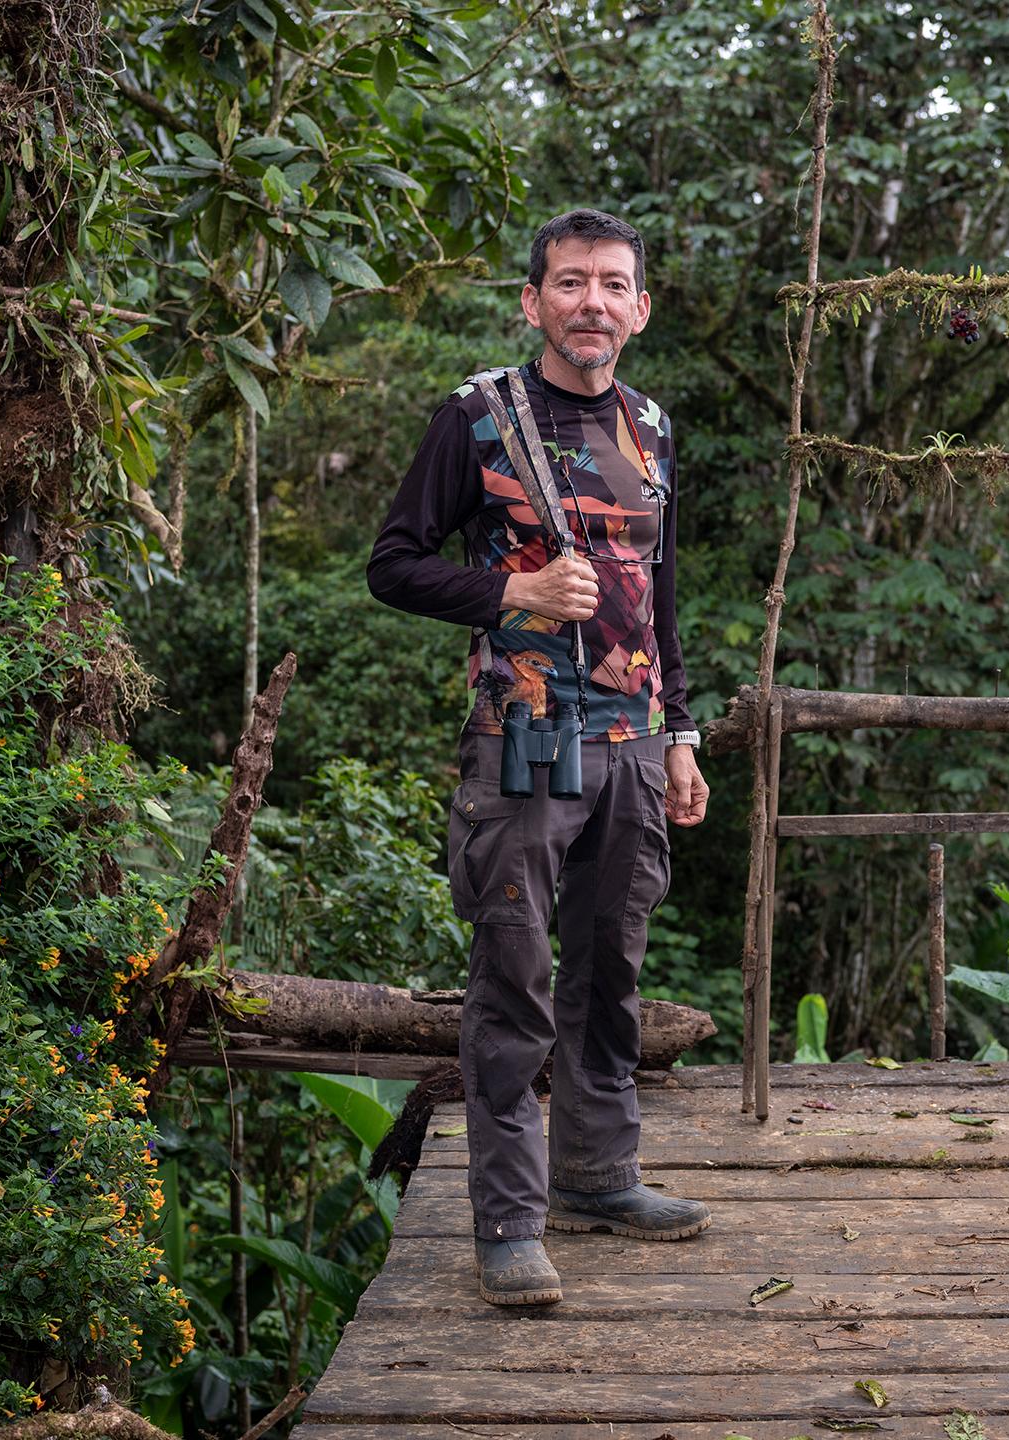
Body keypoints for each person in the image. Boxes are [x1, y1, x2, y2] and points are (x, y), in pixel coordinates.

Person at [367, 209, 712, 1307]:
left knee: (610, 973)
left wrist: (683, 735)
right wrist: (509, 589)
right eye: (570, 284)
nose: (591, 303)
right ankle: (509, 1224)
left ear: (640, 309)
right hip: (522, 746)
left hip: (630, 748)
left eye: (613, 285)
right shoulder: (477, 418)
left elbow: (661, 601)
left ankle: (600, 1180)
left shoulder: (653, 426)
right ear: (533, 302)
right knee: (513, 983)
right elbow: (392, 565)